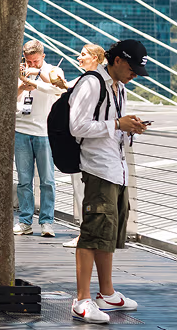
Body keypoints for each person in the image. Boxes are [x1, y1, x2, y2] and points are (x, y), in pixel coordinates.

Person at [69, 39, 149, 324]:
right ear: (117, 61)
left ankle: (106, 292)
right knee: (92, 233)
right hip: (98, 169)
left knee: (107, 235)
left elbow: (113, 127)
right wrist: (116, 124)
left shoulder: (120, 88)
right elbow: (76, 126)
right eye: (132, 68)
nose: (135, 74)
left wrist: (130, 128)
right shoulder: (92, 84)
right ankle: (81, 299)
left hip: (117, 169)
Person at [15, 39, 65, 237]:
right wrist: (22, 87)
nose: (31, 65)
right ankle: (25, 221)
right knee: (24, 181)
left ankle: (46, 221)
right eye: (28, 61)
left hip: (45, 132)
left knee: (47, 180)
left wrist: (37, 75)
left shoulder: (53, 71)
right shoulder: (20, 71)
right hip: (21, 130)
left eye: (35, 61)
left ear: (43, 57)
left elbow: (60, 89)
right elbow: (7, 97)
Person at [64, 43, 106, 249]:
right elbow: (65, 87)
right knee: (85, 194)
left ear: (96, 58)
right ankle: (87, 234)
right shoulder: (93, 80)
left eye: (83, 55)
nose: (79, 58)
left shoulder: (91, 81)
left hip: (86, 148)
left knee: (83, 193)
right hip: (92, 149)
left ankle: (85, 236)